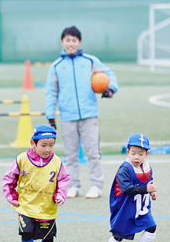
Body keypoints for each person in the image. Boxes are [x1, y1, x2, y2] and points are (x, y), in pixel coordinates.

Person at [45, 26, 118, 199]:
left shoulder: (90, 61)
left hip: (89, 115)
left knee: (93, 152)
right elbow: (51, 91)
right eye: (67, 40)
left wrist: (111, 89)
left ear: (80, 42)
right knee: (70, 155)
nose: (71, 44)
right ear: (62, 42)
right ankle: (73, 185)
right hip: (67, 117)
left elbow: (109, 74)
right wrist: (50, 115)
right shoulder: (56, 66)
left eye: (74, 40)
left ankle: (96, 186)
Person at [2, 124, 70, 242]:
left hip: (47, 208)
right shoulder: (22, 159)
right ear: (33, 143)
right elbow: (8, 179)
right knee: (26, 233)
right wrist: (13, 198)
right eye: (43, 145)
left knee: (48, 237)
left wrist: (60, 195)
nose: (47, 149)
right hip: (26, 206)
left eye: (51, 145)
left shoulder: (57, 162)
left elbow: (64, 179)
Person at [103, 133, 158, 242]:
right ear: (128, 152)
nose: (137, 157)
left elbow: (148, 181)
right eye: (133, 153)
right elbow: (127, 189)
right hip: (125, 207)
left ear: (147, 154)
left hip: (141, 207)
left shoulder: (147, 166)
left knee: (151, 227)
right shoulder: (125, 169)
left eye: (140, 153)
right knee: (119, 234)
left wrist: (152, 192)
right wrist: (146, 189)